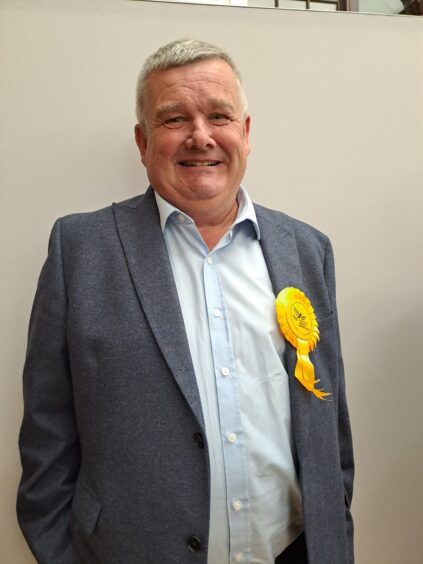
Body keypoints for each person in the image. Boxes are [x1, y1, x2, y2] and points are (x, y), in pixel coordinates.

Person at [17, 39, 354, 564]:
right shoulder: (80, 251)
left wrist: (333, 533)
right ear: (142, 140)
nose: (201, 136)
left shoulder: (307, 250)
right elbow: (47, 438)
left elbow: (329, 429)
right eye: (175, 119)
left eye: (219, 115)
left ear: (245, 132)